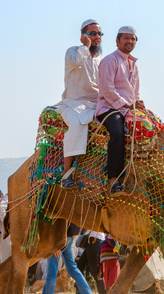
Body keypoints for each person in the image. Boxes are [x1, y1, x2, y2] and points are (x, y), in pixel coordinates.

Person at [95, 26, 145, 197]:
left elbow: (135, 92)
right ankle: (113, 181)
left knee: (149, 128)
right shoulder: (110, 61)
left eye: (133, 39)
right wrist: (127, 105)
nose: (130, 41)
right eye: (126, 38)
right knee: (117, 132)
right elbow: (107, 90)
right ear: (117, 41)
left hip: (128, 109)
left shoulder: (134, 65)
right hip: (109, 108)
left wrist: (137, 105)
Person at [56, 19, 103, 188]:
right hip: (72, 104)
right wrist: (85, 46)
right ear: (83, 36)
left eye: (99, 34)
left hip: (96, 105)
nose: (97, 37)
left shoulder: (101, 60)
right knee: (76, 125)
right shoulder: (73, 52)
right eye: (92, 33)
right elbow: (77, 61)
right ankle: (66, 175)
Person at [27, 223, 96, 294]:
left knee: (51, 271)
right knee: (72, 268)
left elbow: (59, 222)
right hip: (69, 237)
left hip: (59, 239)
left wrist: (56, 245)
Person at [72, 230, 107, 294]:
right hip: (93, 240)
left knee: (95, 270)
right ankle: (80, 293)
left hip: (94, 240)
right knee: (80, 266)